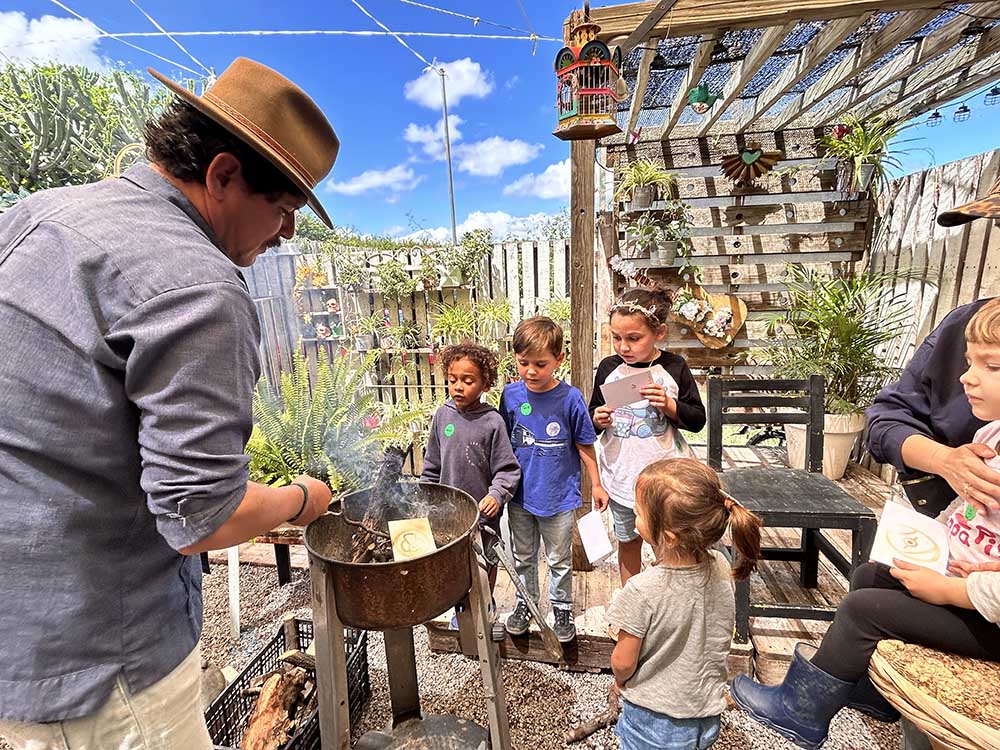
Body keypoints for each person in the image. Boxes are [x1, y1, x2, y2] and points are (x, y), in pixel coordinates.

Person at [0, 58, 339, 748]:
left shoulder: (37, 214)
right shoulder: (198, 287)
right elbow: (201, 517)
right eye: (283, 210)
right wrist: (301, 499)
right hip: (102, 665)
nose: (285, 234)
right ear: (223, 174)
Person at [731, 297, 1000, 750]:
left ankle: (801, 712)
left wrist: (951, 591)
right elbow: (970, 510)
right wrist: (941, 545)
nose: (965, 377)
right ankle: (869, 689)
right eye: (969, 362)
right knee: (870, 575)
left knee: (864, 609)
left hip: (986, 610)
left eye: (990, 366)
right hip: (968, 580)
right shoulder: (989, 433)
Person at [867, 180, 1000, 517]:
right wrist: (946, 461)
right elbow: (886, 419)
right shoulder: (964, 326)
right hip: (947, 526)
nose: (968, 377)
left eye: (993, 366)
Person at [608, 458, 761, 750]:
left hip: (653, 719)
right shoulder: (720, 565)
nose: (633, 514)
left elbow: (623, 662)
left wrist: (619, 681)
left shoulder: (641, 589)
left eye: (638, 512)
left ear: (669, 537)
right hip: (705, 712)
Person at [499, 317, 610, 642]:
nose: (531, 371)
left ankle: (562, 608)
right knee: (523, 556)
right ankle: (525, 602)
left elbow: (584, 443)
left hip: (559, 496)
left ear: (559, 359)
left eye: (540, 364)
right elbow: (502, 442)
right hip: (520, 495)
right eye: (524, 363)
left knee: (559, 558)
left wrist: (597, 484)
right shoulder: (510, 395)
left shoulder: (570, 398)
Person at [589, 288, 706, 586]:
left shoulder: (673, 367)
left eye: (633, 338)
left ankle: (668, 597)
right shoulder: (609, 368)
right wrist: (597, 418)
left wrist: (669, 405)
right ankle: (631, 597)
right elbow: (592, 418)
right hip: (621, 477)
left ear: (659, 333)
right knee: (628, 541)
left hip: (664, 481)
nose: (623, 346)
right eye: (616, 337)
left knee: (667, 543)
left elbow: (697, 420)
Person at [420, 342, 521, 597]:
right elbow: (432, 466)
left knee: (486, 563)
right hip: (447, 515)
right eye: (452, 379)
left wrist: (496, 495)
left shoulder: (493, 422)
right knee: (453, 566)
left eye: (467, 381)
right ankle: (460, 606)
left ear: (485, 384)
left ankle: (487, 605)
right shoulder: (442, 416)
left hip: (482, 516)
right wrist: (425, 498)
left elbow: (507, 469)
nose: (458, 386)